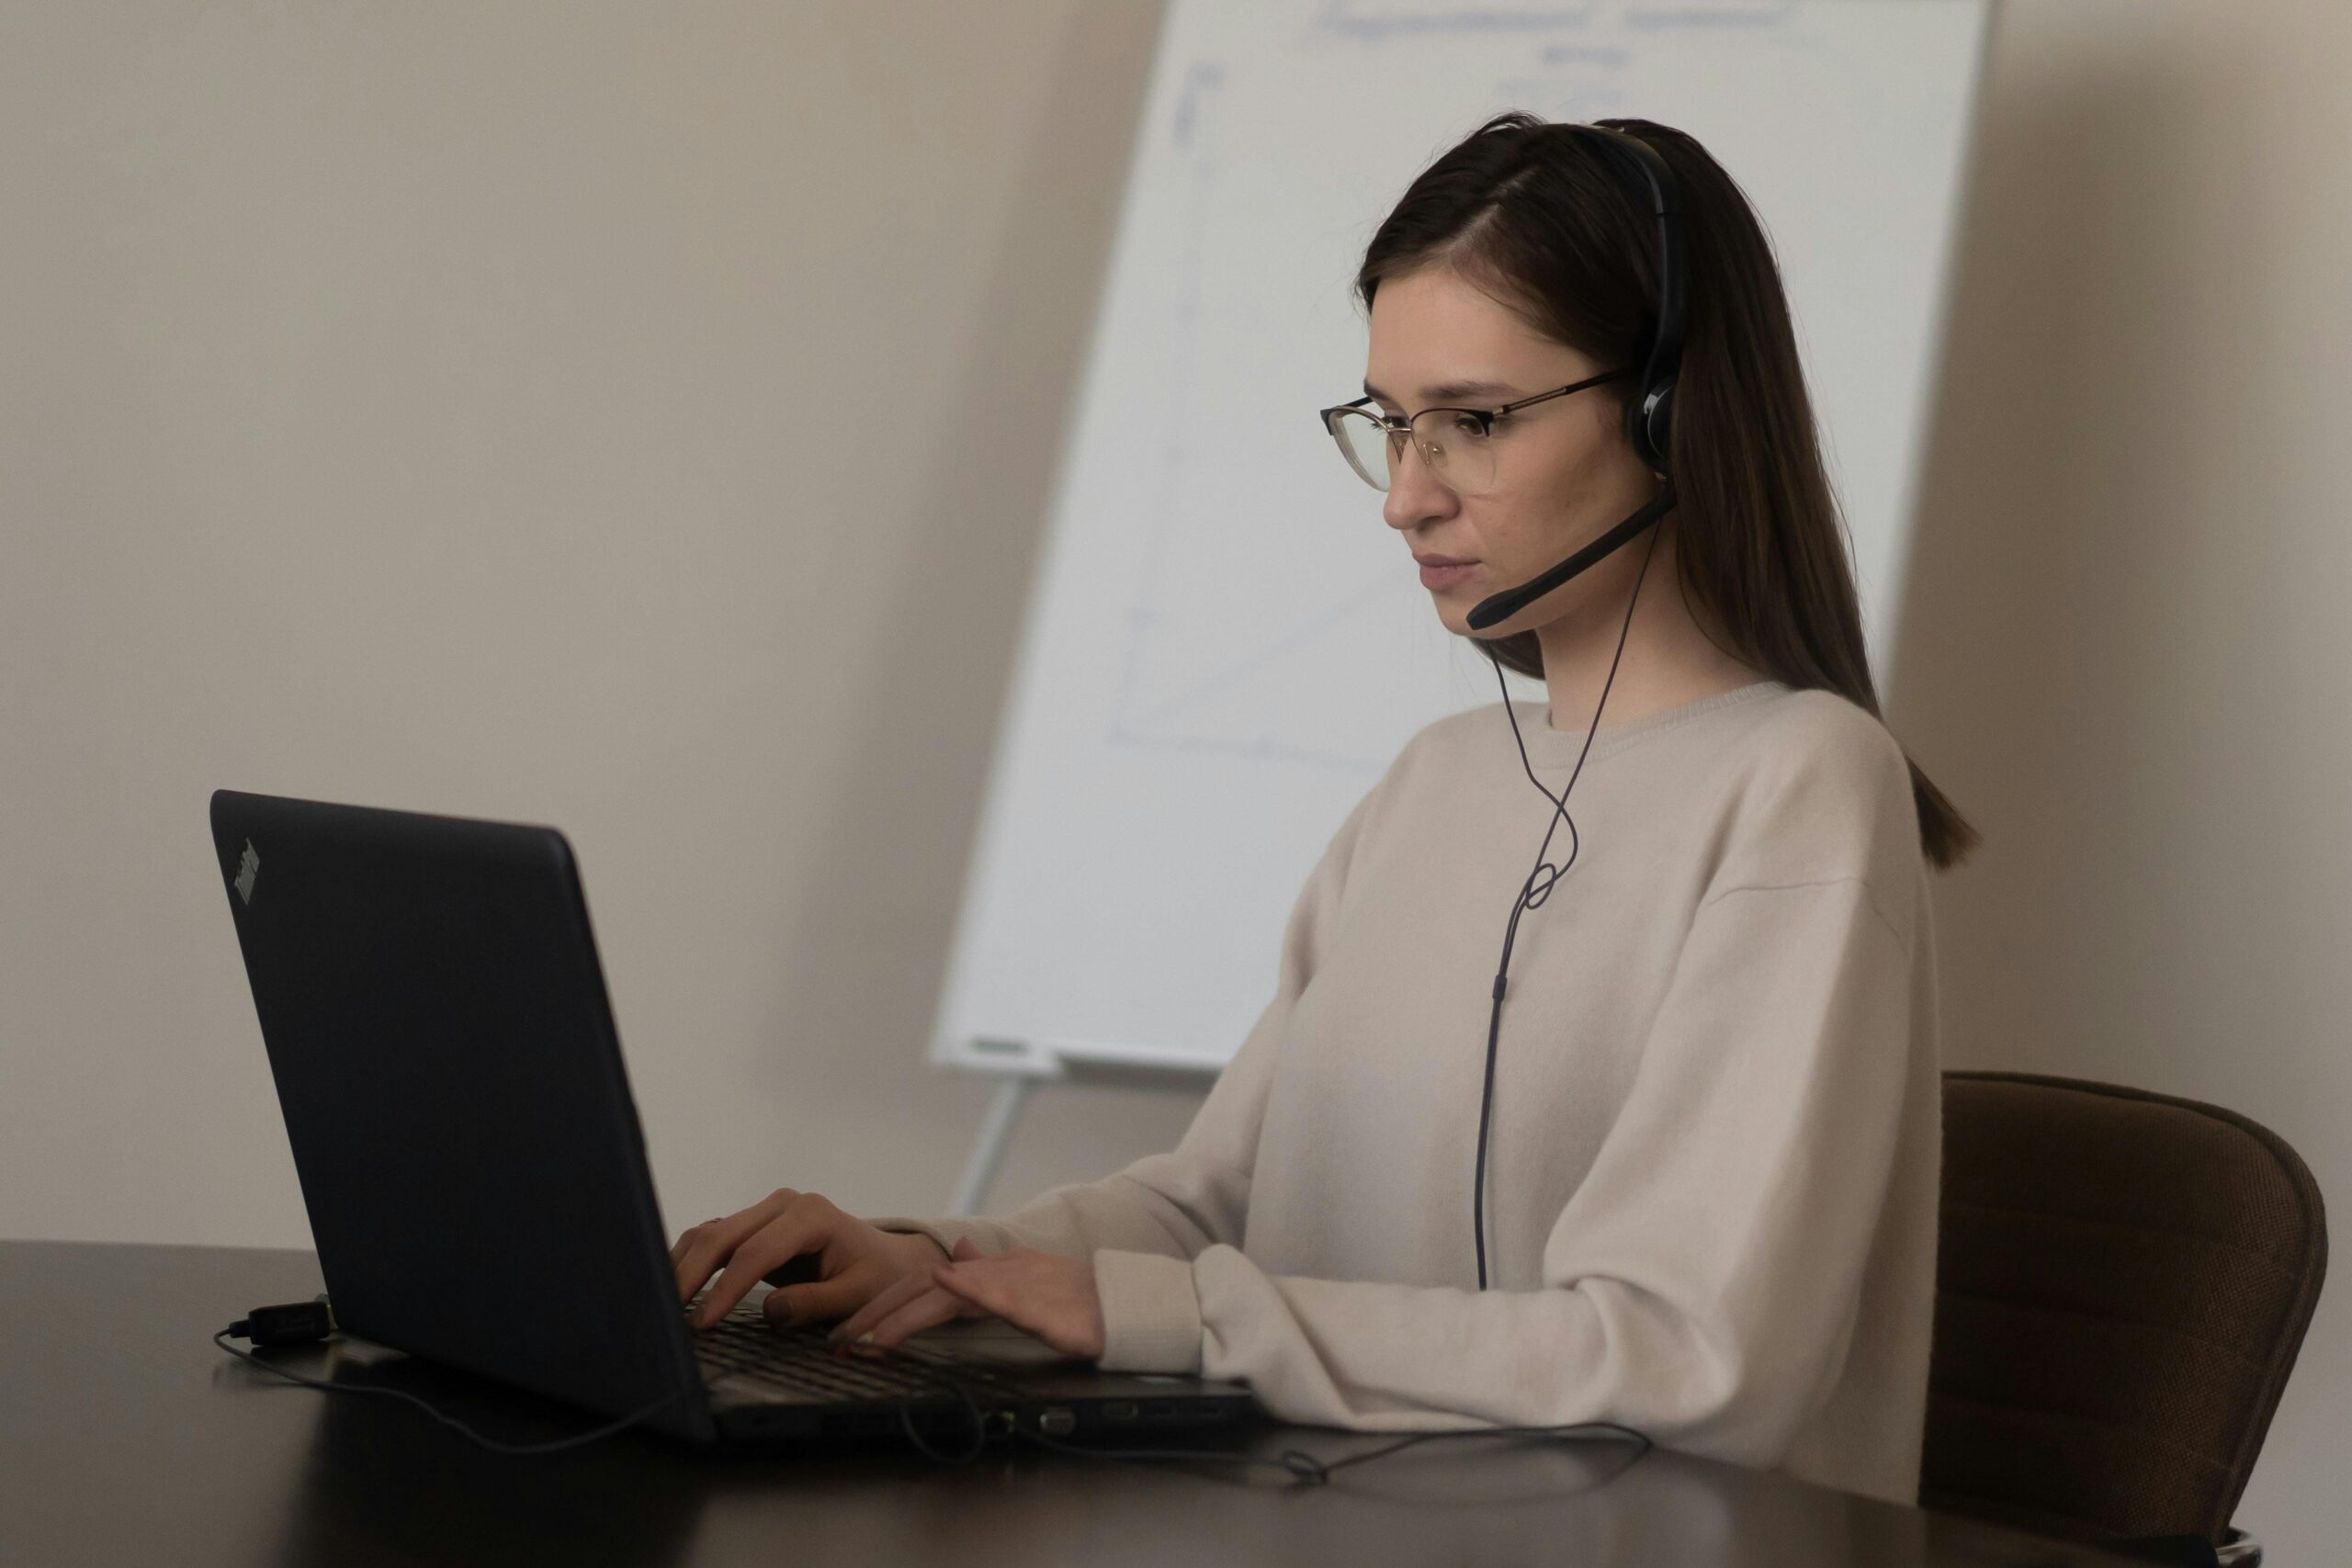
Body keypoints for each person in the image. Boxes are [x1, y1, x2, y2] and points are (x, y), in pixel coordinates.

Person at [669, 114, 1978, 1507]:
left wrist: (1169, 1317)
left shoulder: (1805, 784)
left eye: (1472, 423)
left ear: (1666, 410)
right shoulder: (1437, 781)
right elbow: (1218, 1210)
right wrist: (936, 1264)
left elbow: (1691, 1359)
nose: (1407, 501)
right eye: (1391, 428)